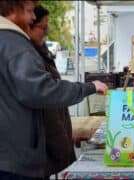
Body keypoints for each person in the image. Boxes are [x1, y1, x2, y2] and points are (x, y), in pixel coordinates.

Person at [0, 1, 108, 179]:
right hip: (15, 156)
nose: (33, 16)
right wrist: (88, 88)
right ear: (12, 11)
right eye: (29, 11)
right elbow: (41, 90)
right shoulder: (14, 44)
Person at [28, 5, 75, 178]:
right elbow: (48, 97)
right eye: (44, 27)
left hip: (45, 142)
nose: (47, 32)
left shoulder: (40, 52)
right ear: (28, 24)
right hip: (39, 146)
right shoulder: (29, 56)